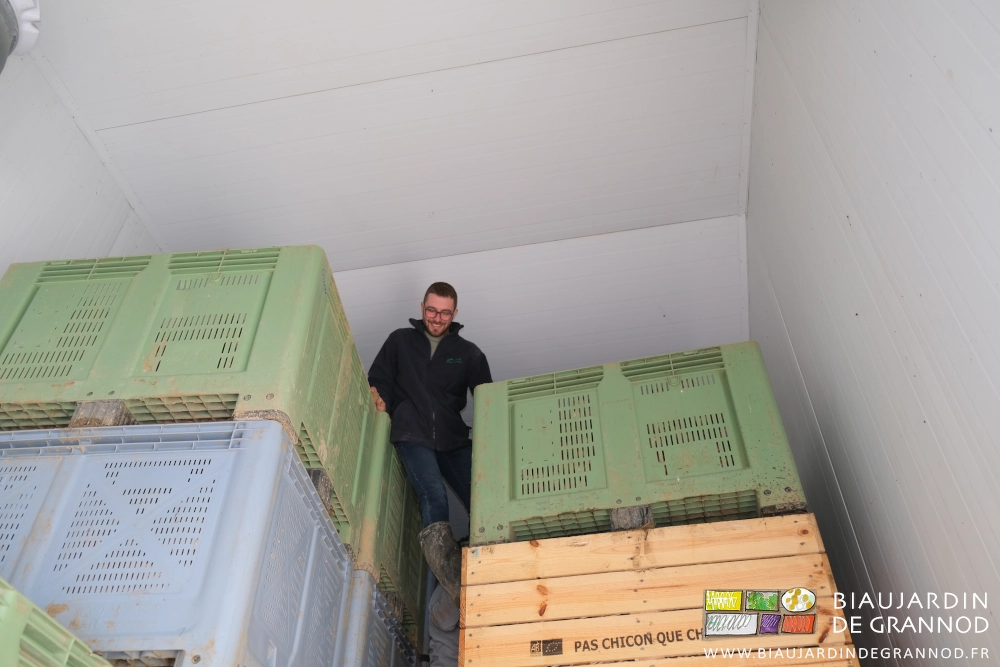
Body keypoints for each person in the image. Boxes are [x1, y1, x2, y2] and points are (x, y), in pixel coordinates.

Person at [367, 281, 491, 604]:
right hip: (412, 433)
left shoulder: (469, 354)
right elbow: (379, 380)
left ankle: (492, 567)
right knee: (434, 494)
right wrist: (378, 400)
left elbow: (489, 400)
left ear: (455, 313)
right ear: (422, 308)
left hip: (452, 438)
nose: (438, 318)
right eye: (432, 310)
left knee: (482, 496)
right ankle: (454, 584)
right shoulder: (400, 341)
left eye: (445, 313)